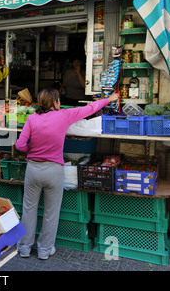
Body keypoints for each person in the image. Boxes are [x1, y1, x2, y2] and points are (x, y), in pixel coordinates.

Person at [15, 88, 119, 260]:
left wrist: (31, 150)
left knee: (29, 209)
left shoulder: (32, 118)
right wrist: (110, 98)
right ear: (56, 102)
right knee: (51, 212)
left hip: (33, 169)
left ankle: (24, 248)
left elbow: (19, 145)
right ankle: (44, 250)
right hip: (54, 171)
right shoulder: (64, 115)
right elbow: (91, 109)